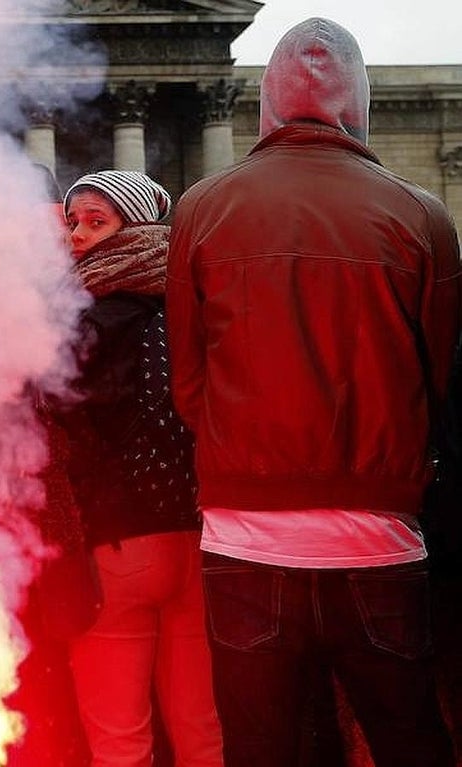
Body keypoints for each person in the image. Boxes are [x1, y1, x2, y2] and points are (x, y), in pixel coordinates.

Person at [166, 17, 461, 767]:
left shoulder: (200, 207)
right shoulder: (422, 214)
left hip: (243, 538)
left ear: (266, 100)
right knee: (409, 741)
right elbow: (437, 377)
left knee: (261, 749)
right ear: (358, 101)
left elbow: (188, 382)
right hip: (379, 536)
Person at [42, 169, 223, 767]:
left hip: (117, 543)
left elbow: (53, 424)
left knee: (120, 737)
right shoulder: (198, 306)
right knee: (203, 730)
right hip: (199, 537)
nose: (76, 235)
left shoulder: (84, 320)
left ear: (136, 228)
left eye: (96, 222)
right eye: (74, 221)